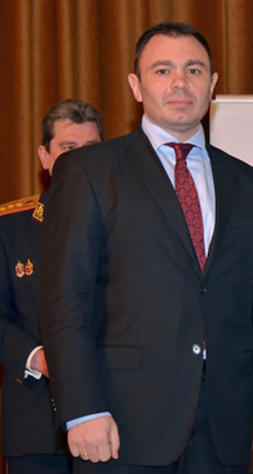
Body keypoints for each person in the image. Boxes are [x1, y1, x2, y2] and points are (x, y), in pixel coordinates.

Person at [37, 22, 253, 473]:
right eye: (162, 70)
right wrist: (81, 408)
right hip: (119, 423)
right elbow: (66, 300)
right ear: (136, 86)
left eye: (193, 70)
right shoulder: (88, 171)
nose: (180, 82)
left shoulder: (248, 183)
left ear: (212, 85)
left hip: (226, 425)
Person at [0, 99, 102, 474]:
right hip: (36, 422)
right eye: (68, 149)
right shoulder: (9, 226)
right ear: (45, 157)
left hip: (118, 418)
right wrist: (37, 357)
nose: (81, 160)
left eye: (91, 149)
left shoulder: (130, 223)